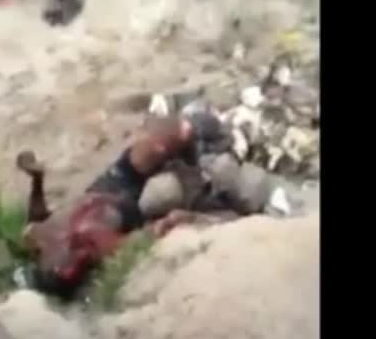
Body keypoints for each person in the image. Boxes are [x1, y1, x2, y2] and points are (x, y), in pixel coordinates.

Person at [16, 113, 229, 297]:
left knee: (157, 145)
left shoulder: (43, 237)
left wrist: (37, 181)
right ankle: (205, 139)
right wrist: (167, 223)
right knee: (159, 152)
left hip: (109, 190)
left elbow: (37, 218)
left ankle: (194, 127)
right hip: (123, 203)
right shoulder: (86, 245)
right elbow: (134, 242)